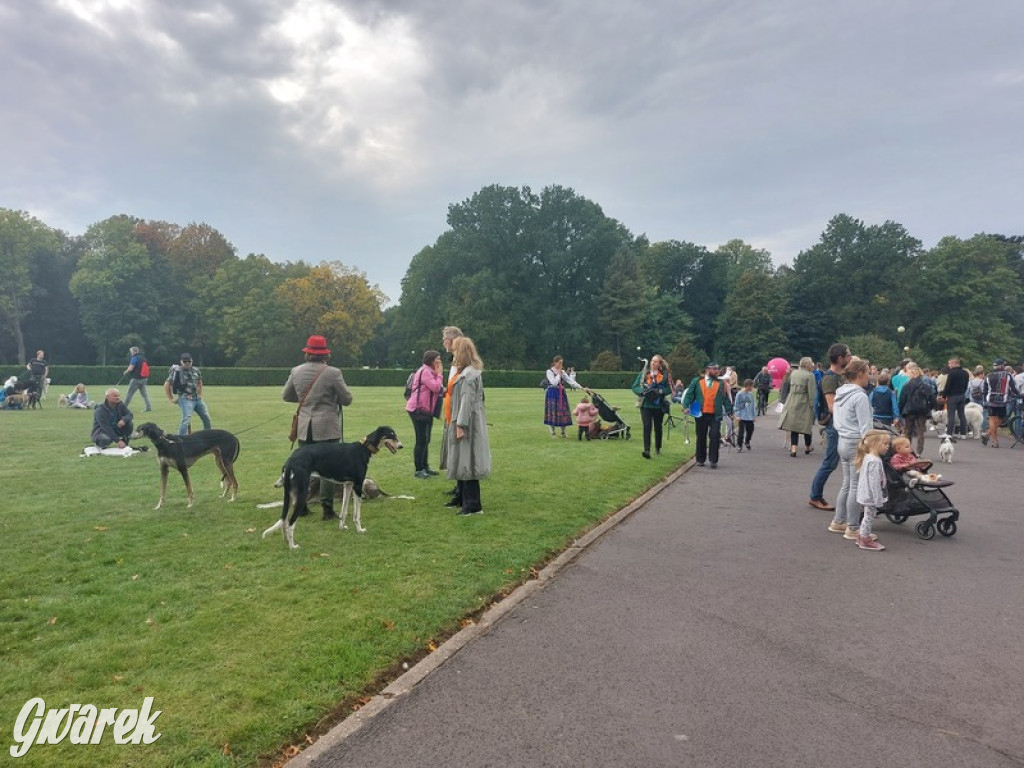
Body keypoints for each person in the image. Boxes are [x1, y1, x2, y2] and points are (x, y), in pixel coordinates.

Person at [282, 335, 354, 519]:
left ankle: (302, 506)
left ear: (307, 353)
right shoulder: (333, 372)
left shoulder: (296, 371)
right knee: (329, 468)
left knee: (303, 467)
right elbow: (347, 399)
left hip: (304, 427)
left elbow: (286, 396)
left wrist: (305, 401)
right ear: (325, 354)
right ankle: (327, 509)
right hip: (327, 426)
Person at [827, 358, 873, 540]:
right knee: (855, 485)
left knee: (847, 484)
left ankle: (839, 521)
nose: (869, 376)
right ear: (860, 374)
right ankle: (853, 527)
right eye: (867, 372)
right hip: (856, 442)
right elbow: (866, 427)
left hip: (843, 440)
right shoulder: (860, 396)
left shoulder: (840, 393)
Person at [445, 337, 491, 516]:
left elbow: (466, 401)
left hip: (467, 422)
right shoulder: (470, 372)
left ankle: (472, 505)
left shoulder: (468, 375)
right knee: (465, 460)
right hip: (470, 419)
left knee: (468, 461)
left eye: (456, 350)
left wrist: (461, 424)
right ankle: (465, 500)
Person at [681, 361, 733, 469]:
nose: (716, 371)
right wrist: (686, 406)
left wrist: (730, 411)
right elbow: (690, 395)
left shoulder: (721, 383)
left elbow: (724, 398)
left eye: (717, 369)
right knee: (701, 436)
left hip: (715, 414)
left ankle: (713, 460)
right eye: (714, 369)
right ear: (707, 370)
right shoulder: (697, 381)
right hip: (701, 413)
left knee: (715, 435)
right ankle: (700, 459)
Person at [406, 350, 444, 478]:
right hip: (418, 410)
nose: (440, 361)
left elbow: (438, 390)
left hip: (427, 411)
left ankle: (425, 467)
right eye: (438, 358)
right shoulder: (425, 371)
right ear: (431, 360)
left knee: (426, 439)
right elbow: (435, 387)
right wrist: (440, 375)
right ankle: (419, 469)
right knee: (421, 439)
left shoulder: (430, 372)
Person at [439, 326, 465, 506]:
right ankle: (458, 486)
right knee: (453, 451)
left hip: (457, 413)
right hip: (451, 411)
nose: (443, 343)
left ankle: (461, 492)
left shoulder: (461, 361)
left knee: (459, 452)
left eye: (444, 339)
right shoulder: (455, 360)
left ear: (451, 340)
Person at [853, 430, 890, 551]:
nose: (888, 447)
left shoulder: (868, 457)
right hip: (870, 495)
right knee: (869, 516)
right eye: (885, 444)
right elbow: (874, 483)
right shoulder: (875, 461)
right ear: (875, 444)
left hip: (865, 493)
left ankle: (862, 535)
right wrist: (877, 499)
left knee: (867, 516)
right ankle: (865, 539)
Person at [631, 354, 672, 459]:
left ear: (660, 364)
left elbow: (669, 389)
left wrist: (660, 391)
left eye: (655, 361)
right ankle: (647, 450)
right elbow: (634, 386)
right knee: (647, 426)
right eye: (652, 361)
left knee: (658, 427)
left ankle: (658, 447)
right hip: (646, 405)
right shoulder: (644, 374)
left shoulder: (664, 375)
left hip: (658, 406)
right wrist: (643, 392)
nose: (653, 363)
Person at [165, 352, 212, 436]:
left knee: (206, 417)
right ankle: (181, 439)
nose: (187, 363)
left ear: (192, 361)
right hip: (185, 399)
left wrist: (200, 394)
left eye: (189, 361)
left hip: (197, 398)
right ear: (181, 362)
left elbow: (199, 382)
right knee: (186, 420)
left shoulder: (196, 370)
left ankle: (208, 436)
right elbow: (166, 384)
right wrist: (171, 399)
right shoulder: (177, 371)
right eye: (185, 361)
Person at [778, 357, 816, 457]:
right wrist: (813, 405)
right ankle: (807, 446)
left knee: (793, 426)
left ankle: (794, 448)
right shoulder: (810, 375)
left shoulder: (794, 373)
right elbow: (812, 392)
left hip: (792, 400)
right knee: (806, 425)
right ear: (808, 365)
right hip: (804, 401)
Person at [897, 363, 936, 455]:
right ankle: (919, 452)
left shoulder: (907, 385)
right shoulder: (926, 385)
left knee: (908, 431)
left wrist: (900, 410)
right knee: (920, 432)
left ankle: (907, 450)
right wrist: (929, 408)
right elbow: (932, 399)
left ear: (912, 373)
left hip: (909, 410)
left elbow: (902, 399)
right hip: (922, 411)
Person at [983, 358, 1020, 448]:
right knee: (1002, 418)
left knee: (992, 419)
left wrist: (984, 401)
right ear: (1002, 365)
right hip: (1002, 400)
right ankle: (991, 438)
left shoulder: (988, 376)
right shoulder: (1007, 375)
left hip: (990, 400)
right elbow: (1013, 387)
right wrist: (1019, 394)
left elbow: (985, 390)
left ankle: (992, 438)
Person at [544, 356, 583, 437]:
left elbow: (571, 381)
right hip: (552, 393)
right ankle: (553, 433)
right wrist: (558, 374)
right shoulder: (549, 371)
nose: (561, 365)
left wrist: (581, 387)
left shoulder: (562, 372)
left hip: (561, 393)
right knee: (552, 412)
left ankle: (563, 432)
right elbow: (554, 383)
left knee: (563, 411)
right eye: (559, 363)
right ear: (555, 362)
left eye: (562, 363)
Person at [941, 357, 970, 438]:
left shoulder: (952, 373)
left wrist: (944, 396)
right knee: (962, 415)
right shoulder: (965, 373)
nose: (949, 365)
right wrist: (963, 392)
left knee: (951, 415)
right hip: (962, 395)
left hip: (952, 396)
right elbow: (966, 385)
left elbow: (948, 385)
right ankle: (963, 434)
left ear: (954, 363)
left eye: (949, 363)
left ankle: (949, 433)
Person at [123, 345, 152, 412]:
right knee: (145, 394)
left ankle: (123, 408)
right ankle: (148, 407)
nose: (131, 353)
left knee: (129, 394)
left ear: (134, 351)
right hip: (144, 379)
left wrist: (126, 372)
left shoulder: (134, 358)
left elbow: (131, 368)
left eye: (131, 351)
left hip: (136, 379)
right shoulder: (143, 358)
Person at [733, 379, 756, 451]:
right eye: (752, 386)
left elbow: (753, 406)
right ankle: (739, 445)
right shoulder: (739, 394)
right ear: (748, 386)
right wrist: (737, 415)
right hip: (742, 416)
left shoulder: (751, 395)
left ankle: (747, 441)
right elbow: (736, 405)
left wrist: (754, 416)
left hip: (749, 416)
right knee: (741, 432)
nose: (752, 388)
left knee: (750, 430)